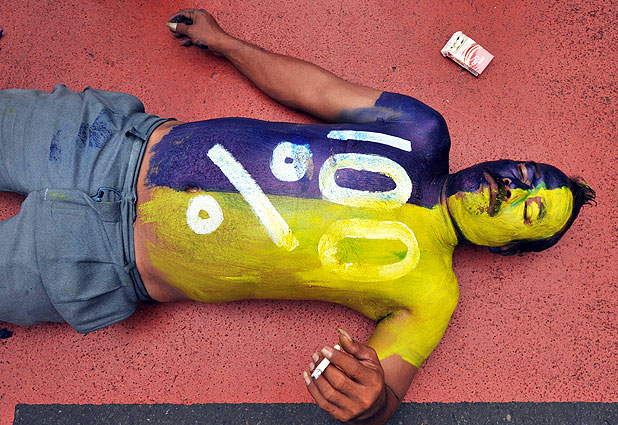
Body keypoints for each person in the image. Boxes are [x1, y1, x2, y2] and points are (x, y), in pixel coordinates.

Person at [0, 8, 595, 425]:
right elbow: (316, 90)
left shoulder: (431, 293)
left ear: (506, 249)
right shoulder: (421, 130)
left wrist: (373, 404)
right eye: (525, 172)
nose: (513, 188)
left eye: (529, 209)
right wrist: (228, 43)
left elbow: (388, 393)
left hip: (103, 258)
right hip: (112, 142)